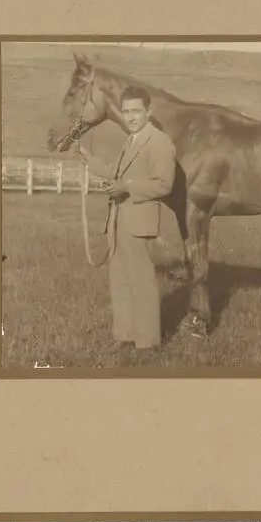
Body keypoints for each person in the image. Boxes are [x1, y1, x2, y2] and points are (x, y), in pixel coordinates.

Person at [83, 86, 177, 352]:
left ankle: (147, 342)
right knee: (121, 279)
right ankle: (125, 336)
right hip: (120, 219)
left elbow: (163, 184)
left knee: (142, 281)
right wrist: (91, 162)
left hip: (140, 222)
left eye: (136, 111)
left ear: (149, 111)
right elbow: (117, 171)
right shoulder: (131, 140)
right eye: (126, 111)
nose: (131, 117)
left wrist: (126, 187)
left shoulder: (159, 142)